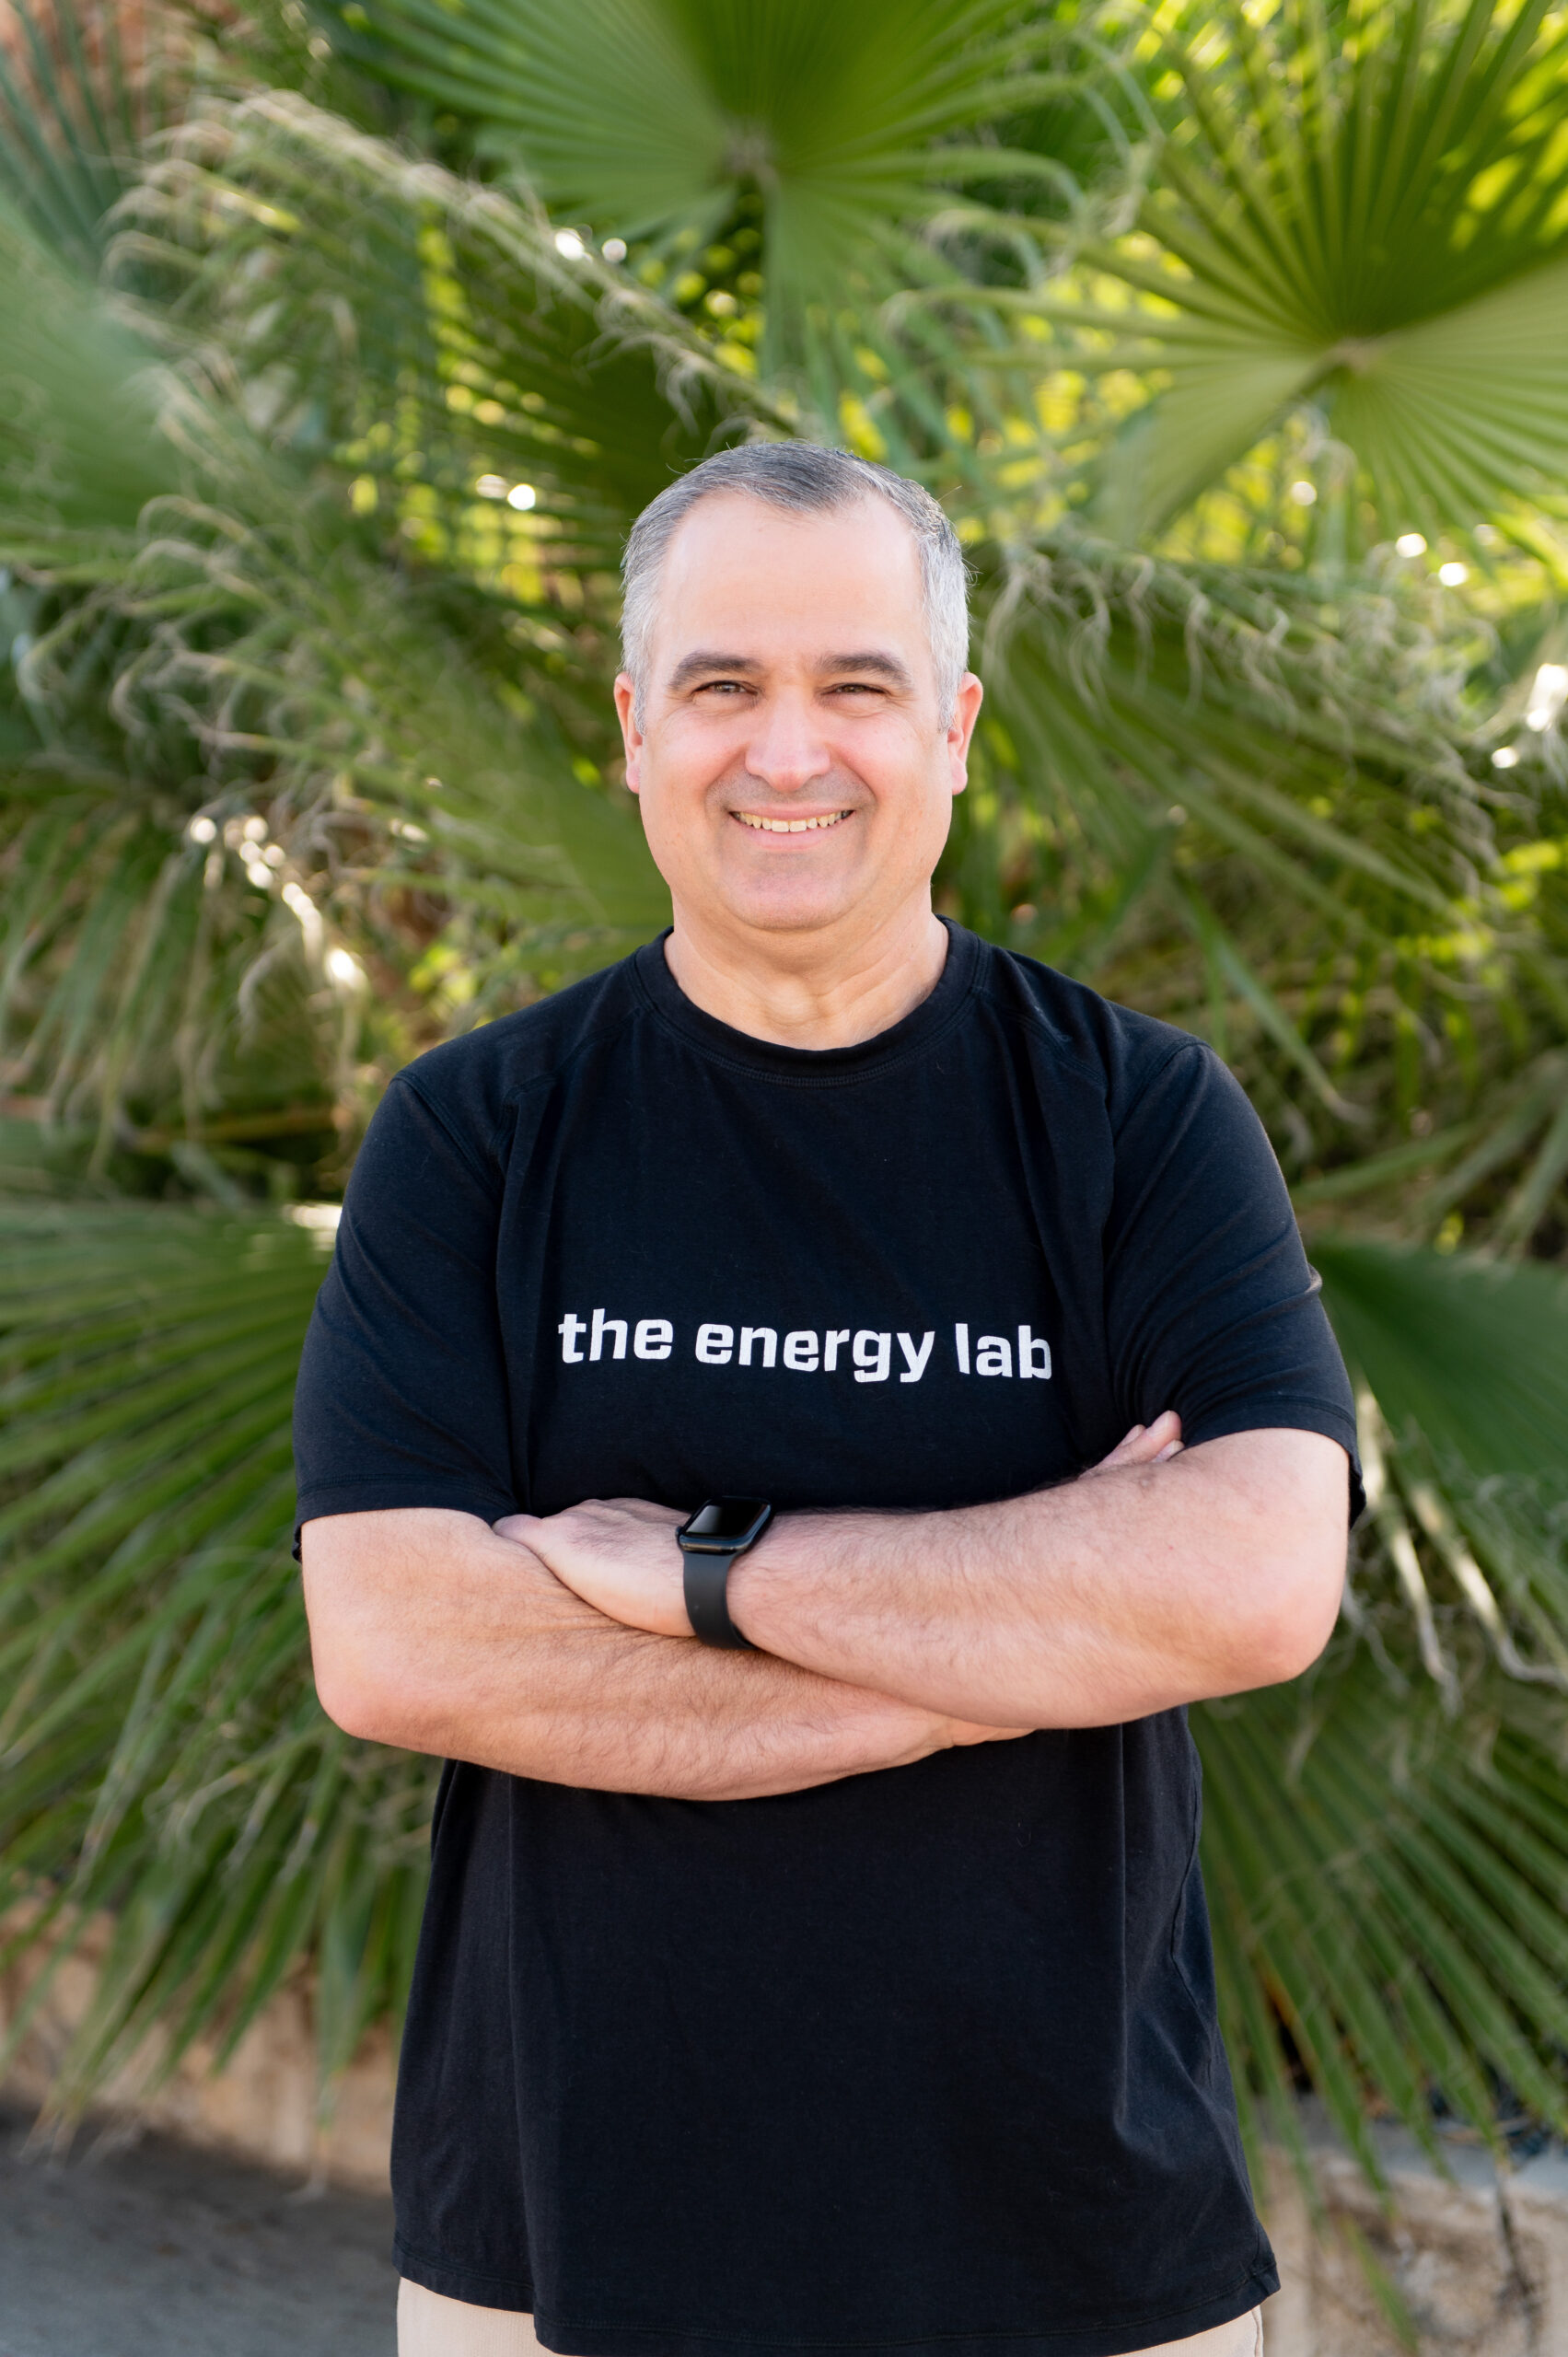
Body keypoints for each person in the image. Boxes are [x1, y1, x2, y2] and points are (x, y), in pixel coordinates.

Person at [296, 443, 1360, 2357]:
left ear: (951, 726)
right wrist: (1029, 1630)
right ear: (634, 730)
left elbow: (1257, 1587)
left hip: (1082, 2240)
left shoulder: (1138, 1117)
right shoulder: (475, 1131)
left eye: (855, 684)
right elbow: (395, 1640)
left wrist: (705, 1569)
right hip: (558, 2240)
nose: (789, 750)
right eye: (723, 685)